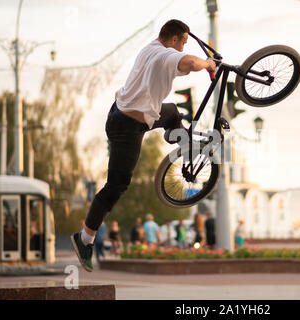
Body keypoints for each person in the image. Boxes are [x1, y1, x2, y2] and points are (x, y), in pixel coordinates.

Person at [70, 19, 216, 272]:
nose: (182, 48)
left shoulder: (150, 48)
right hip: (127, 128)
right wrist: (208, 64)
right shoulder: (165, 55)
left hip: (124, 113)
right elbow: (191, 63)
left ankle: (175, 137)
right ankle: (84, 238)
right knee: (116, 185)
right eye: (183, 42)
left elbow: (175, 63)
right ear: (174, 39)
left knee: (171, 111)